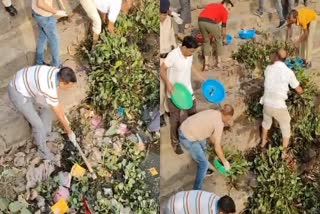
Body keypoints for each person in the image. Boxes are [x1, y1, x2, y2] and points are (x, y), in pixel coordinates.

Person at [8, 65, 78, 161]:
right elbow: (57, 110)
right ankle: (43, 152)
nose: (70, 88)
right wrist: (69, 132)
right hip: (18, 93)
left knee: (47, 109)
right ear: (62, 82)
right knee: (38, 125)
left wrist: (64, 117)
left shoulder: (57, 72)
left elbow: (57, 105)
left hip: (25, 82)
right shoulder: (49, 87)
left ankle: (45, 134)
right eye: (69, 86)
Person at [160, 36, 205, 155]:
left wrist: (200, 77)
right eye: (190, 51)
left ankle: (191, 137)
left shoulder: (189, 55)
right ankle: (175, 143)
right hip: (174, 93)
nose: (191, 53)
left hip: (187, 92)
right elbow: (162, 69)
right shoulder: (173, 55)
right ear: (184, 47)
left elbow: (191, 66)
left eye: (193, 51)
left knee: (193, 114)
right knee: (175, 120)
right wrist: (168, 84)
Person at [260, 49, 303, 158]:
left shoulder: (268, 69)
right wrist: (302, 91)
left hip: (266, 103)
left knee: (266, 123)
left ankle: (263, 143)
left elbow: (272, 82)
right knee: (285, 125)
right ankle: (284, 152)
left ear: (276, 57)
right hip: (278, 105)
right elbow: (298, 89)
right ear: (285, 59)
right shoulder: (289, 72)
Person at [179, 106, 234, 190]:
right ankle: (196, 189)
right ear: (226, 116)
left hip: (184, 127)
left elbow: (212, 137)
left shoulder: (214, 112)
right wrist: (224, 161)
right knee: (203, 163)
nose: (229, 121)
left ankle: (205, 170)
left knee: (205, 148)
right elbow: (217, 147)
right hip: (187, 137)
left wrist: (216, 144)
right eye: (229, 119)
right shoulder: (219, 124)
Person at [198, 0, 234, 71]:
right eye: (229, 9)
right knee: (219, 40)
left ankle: (206, 65)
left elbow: (209, 21)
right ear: (225, 4)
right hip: (210, 22)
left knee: (206, 41)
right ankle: (219, 63)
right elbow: (223, 28)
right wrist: (224, 38)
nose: (228, 11)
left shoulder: (213, 5)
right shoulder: (224, 11)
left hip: (200, 20)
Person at [32, 0, 68, 68]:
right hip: (45, 16)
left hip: (38, 13)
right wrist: (56, 12)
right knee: (54, 40)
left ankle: (39, 62)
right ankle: (56, 65)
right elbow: (40, 3)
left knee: (42, 36)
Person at [160, 0, 177, 127]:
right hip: (159, 58)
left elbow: (172, 39)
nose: (163, 16)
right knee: (160, 89)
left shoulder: (169, 21)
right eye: (161, 13)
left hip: (169, 58)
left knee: (169, 86)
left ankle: (167, 109)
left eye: (165, 13)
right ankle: (160, 114)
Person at [164, 190, 236, 214]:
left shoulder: (215, 197)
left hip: (176, 197)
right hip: (173, 210)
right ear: (221, 212)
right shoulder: (209, 211)